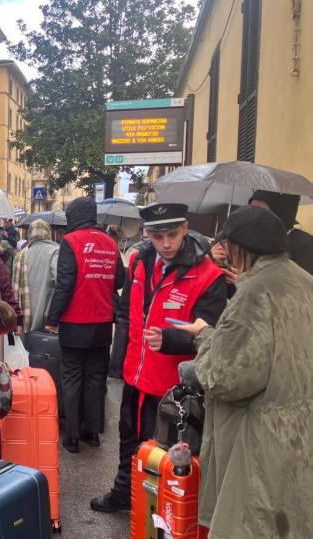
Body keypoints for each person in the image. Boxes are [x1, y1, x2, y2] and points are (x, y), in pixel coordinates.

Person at [175, 205, 313, 537]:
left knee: (252, 523)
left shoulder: (255, 291)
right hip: (301, 431)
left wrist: (205, 337)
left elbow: (227, 377)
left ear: (241, 246)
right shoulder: (305, 281)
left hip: (259, 438)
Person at [90, 203, 227, 513]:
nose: (166, 244)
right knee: (128, 438)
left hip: (173, 388)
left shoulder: (209, 276)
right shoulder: (139, 261)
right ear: (146, 234)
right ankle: (124, 490)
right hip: (135, 376)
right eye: (157, 235)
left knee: (167, 454)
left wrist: (171, 339)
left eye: (173, 235)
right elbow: (127, 313)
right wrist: (119, 360)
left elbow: (213, 335)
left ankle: (160, 513)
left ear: (186, 228)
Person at [45, 197, 125, 453]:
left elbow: (65, 283)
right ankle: (93, 432)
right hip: (102, 322)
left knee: (71, 377)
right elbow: (120, 280)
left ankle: (72, 436)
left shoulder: (71, 242)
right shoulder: (110, 243)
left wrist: (52, 318)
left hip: (75, 322)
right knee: (94, 378)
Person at [211, 190, 313, 277]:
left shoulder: (307, 248)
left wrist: (246, 283)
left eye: (262, 211)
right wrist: (213, 261)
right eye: (252, 209)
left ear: (282, 216)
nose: (254, 216)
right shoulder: (243, 236)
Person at [12, 219, 59, 334]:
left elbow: (14, 288)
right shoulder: (56, 251)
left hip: (25, 321)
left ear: (30, 233)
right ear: (48, 232)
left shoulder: (20, 255)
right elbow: (59, 282)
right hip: (48, 319)